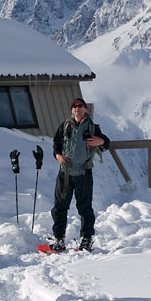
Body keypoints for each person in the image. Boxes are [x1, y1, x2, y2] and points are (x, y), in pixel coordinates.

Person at [49, 97, 110, 251]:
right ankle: (59, 239)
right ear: (72, 110)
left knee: (84, 208)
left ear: (85, 109)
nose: (77, 109)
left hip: (84, 173)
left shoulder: (92, 127)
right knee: (59, 207)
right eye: (74, 106)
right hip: (65, 173)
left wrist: (101, 142)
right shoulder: (65, 126)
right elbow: (56, 144)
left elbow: (106, 143)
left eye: (80, 106)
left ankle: (87, 239)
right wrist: (58, 156)